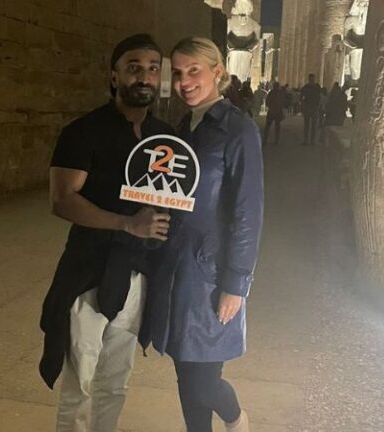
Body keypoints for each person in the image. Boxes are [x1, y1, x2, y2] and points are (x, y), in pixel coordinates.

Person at [39, 33, 174, 432]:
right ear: (114, 76)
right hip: (88, 271)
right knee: (79, 380)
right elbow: (62, 200)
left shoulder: (166, 138)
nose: (144, 77)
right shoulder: (82, 132)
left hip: (138, 272)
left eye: (152, 68)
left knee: (116, 380)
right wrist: (126, 223)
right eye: (134, 68)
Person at [142, 36, 264, 432]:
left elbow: (249, 213)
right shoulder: (179, 129)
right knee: (185, 373)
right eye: (177, 73)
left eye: (194, 70)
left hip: (210, 273)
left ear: (217, 72)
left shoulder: (237, 130)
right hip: (175, 267)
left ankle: (234, 417)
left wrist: (236, 283)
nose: (185, 81)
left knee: (203, 380)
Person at [300, 74, 322, 145]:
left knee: (313, 125)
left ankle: (312, 141)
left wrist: (318, 105)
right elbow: (301, 97)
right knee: (307, 125)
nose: (312, 80)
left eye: (313, 78)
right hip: (308, 107)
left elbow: (319, 96)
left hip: (314, 107)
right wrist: (303, 105)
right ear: (309, 79)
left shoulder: (316, 87)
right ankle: (306, 140)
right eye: (311, 78)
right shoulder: (306, 87)